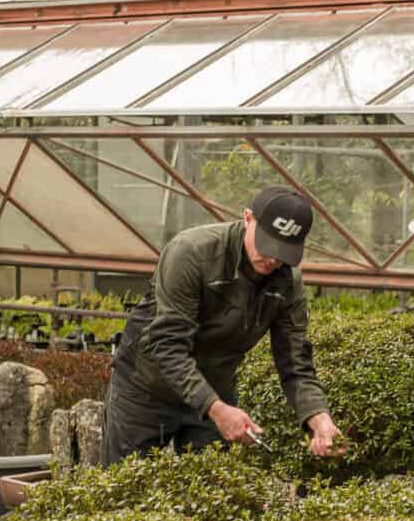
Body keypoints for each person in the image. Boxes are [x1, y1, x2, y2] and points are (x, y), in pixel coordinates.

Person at [102, 185, 343, 465]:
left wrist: (319, 418)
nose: (273, 259)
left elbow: (295, 361)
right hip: (145, 388)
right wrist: (215, 409)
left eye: (284, 252)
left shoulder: (288, 281)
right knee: (126, 482)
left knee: (216, 483)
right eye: (268, 244)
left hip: (215, 387)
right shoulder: (192, 253)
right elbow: (167, 345)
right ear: (248, 218)